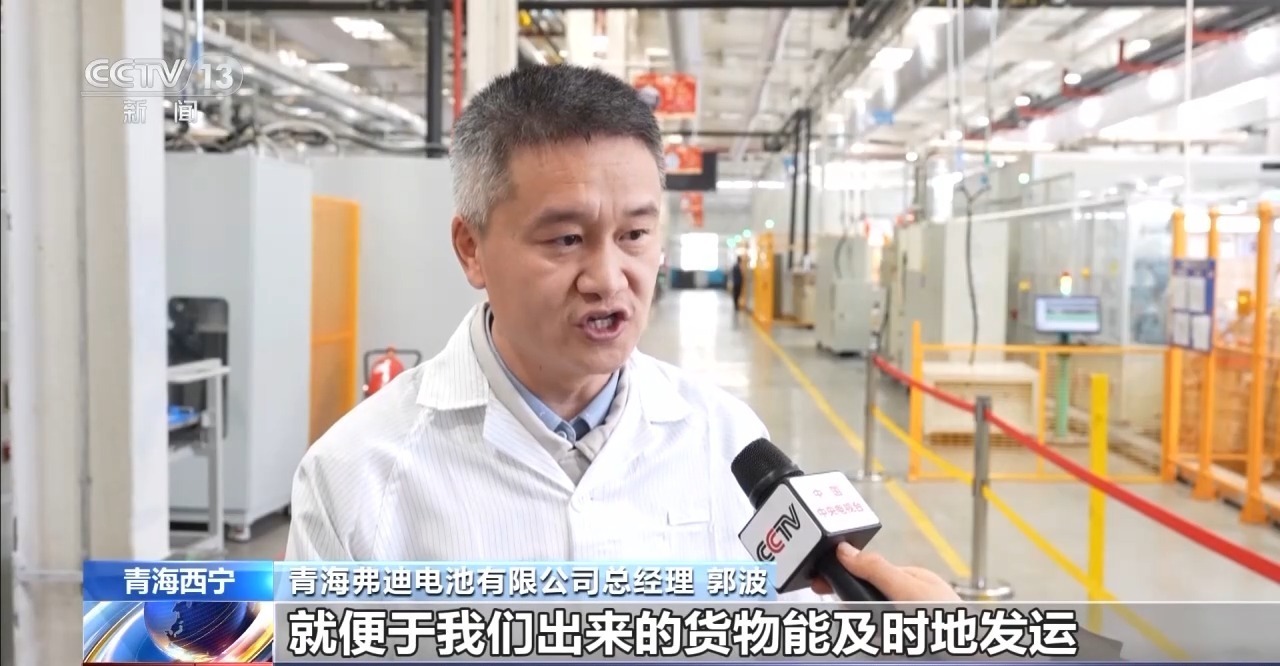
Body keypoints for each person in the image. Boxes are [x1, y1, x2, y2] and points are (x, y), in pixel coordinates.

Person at [285, 64, 959, 605]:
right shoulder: (356, 475)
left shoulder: (728, 439)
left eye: (635, 234)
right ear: (472, 249)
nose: (609, 279)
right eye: (565, 239)